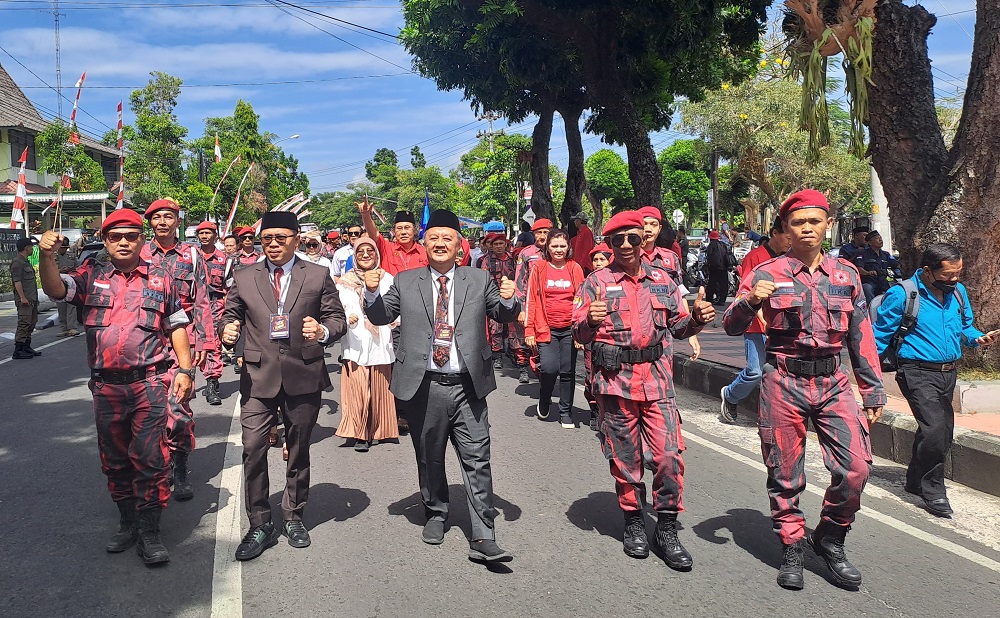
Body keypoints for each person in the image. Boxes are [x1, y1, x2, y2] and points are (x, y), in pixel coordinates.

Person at [722, 189, 885, 591]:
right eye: (798, 222)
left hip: (833, 381)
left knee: (856, 468)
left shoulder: (847, 274)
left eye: (814, 221)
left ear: (827, 225)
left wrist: (872, 389)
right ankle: (792, 545)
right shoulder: (766, 273)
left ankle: (830, 536)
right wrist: (749, 302)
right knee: (784, 471)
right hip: (783, 380)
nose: (807, 228)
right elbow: (730, 325)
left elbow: (861, 336)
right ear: (785, 228)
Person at [37, 210, 195, 566]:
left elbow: (177, 325)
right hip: (106, 388)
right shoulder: (90, 275)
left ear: (142, 240)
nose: (123, 242)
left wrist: (185, 369)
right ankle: (128, 522)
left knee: (151, 459)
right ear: (105, 241)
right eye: (115, 236)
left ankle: (150, 531)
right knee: (115, 460)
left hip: (149, 384)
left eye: (131, 236)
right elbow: (56, 289)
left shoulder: (162, 278)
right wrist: (47, 257)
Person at [363, 208, 519, 563]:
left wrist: (510, 298)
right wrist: (371, 293)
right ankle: (436, 511)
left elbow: (502, 313)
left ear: (459, 245)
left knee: (477, 457)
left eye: (447, 238)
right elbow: (382, 316)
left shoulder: (478, 279)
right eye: (433, 238)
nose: (439, 243)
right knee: (429, 455)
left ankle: (484, 535)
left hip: (468, 386)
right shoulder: (406, 281)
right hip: (425, 385)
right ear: (425, 243)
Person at [573, 210, 713, 568]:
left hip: (657, 382)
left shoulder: (664, 280)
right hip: (615, 383)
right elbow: (578, 332)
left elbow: (679, 327)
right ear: (608, 243)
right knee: (626, 458)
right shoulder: (596, 282)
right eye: (617, 240)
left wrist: (697, 319)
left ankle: (666, 528)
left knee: (668, 457)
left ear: (643, 239)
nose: (625, 245)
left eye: (632, 238)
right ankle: (634, 522)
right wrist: (589, 320)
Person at [219, 210, 347, 561]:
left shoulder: (317, 274)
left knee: (299, 448)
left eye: (281, 238)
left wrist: (322, 331)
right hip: (258, 377)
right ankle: (260, 523)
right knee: (253, 448)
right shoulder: (244, 276)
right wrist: (226, 330)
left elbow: (336, 319)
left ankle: (293, 515)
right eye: (267, 239)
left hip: (303, 373)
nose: (273, 244)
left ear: (296, 239)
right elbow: (230, 315)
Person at [872, 243, 999, 518]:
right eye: (948, 274)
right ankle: (933, 490)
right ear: (928, 271)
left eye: (958, 273)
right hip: (916, 371)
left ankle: (915, 479)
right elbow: (878, 336)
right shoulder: (902, 294)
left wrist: (978, 338)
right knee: (935, 431)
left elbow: (965, 327)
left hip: (948, 372)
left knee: (940, 429)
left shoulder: (958, 292)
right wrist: (868, 378)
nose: (954, 279)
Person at [141, 198, 218, 501]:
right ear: (150, 222)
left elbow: (201, 299)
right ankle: (159, 465)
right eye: (157, 217)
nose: (162, 222)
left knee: (178, 407)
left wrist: (205, 341)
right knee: (148, 409)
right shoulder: (140, 253)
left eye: (168, 216)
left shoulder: (192, 254)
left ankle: (180, 467)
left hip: (181, 340)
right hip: (146, 340)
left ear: (177, 221)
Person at [719, 217, 790, 423]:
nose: (790, 241)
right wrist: (762, 319)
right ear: (775, 233)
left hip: (780, 326)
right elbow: (747, 294)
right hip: (756, 325)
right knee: (755, 371)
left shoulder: (789, 259)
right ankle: (730, 395)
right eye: (787, 237)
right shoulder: (755, 257)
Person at [335, 236, 399, 452]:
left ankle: (378, 429)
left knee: (379, 387)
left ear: (376, 254)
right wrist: (348, 317)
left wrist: (393, 320)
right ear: (354, 256)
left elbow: (397, 307)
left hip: (380, 339)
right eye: (360, 252)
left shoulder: (387, 279)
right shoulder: (344, 282)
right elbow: (336, 309)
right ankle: (359, 432)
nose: (365, 255)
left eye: (369, 251)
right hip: (356, 340)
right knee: (358, 388)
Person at [524, 230, 585, 428]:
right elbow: (531, 299)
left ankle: (565, 411)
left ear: (568, 248)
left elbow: (582, 300)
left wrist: (580, 330)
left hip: (569, 329)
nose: (558, 250)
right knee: (549, 368)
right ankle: (544, 399)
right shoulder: (539, 268)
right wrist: (529, 330)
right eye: (554, 246)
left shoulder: (575, 268)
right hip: (546, 327)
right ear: (547, 247)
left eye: (562, 246)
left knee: (567, 371)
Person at [513, 218, 552, 383]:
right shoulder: (526, 253)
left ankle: (544, 372)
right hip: (530, 303)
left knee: (546, 340)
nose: (542, 236)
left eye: (546, 232)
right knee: (526, 338)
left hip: (550, 304)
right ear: (533, 234)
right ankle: (524, 367)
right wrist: (521, 309)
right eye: (539, 233)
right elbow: (519, 281)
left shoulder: (557, 251)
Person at [195, 220, 228, 406]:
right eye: (201, 233)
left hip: (215, 307)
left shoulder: (225, 260)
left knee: (213, 345)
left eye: (208, 233)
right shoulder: (191, 255)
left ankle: (212, 383)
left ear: (215, 236)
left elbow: (229, 288)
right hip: (193, 306)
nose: (204, 236)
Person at [582, 243, 612, 431]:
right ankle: (594, 408)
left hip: (612, 341)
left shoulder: (618, 282)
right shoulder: (588, 283)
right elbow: (579, 313)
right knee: (591, 376)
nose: (598, 263)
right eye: (595, 260)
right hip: (592, 340)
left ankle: (606, 412)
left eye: (602, 259)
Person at [361, 202, 429, 276]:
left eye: (407, 228)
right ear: (394, 232)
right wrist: (366, 215)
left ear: (414, 231)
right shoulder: (386, 248)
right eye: (399, 228)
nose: (403, 232)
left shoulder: (424, 252)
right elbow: (374, 233)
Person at [479, 233, 515, 369]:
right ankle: (497, 355)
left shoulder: (513, 259)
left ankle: (514, 353)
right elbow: (483, 279)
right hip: (494, 297)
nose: (499, 246)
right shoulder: (487, 261)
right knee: (495, 328)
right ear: (492, 246)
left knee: (513, 328)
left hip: (511, 297)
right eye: (496, 244)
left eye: (501, 243)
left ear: (506, 245)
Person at [10, 236, 41, 359]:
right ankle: (18, 350)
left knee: (31, 323)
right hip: (25, 300)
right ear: (26, 248)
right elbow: (17, 281)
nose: (32, 249)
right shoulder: (17, 262)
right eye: (31, 247)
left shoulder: (26, 261)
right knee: (24, 324)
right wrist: (22, 297)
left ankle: (26, 347)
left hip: (31, 299)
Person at [853, 230, 900, 303]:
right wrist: (868, 273)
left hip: (884, 282)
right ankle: (870, 307)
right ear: (870, 242)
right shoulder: (863, 254)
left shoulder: (886, 254)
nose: (880, 240)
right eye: (877, 238)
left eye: (880, 238)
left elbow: (896, 264)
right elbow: (859, 268)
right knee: (867, 288)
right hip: (870, 281)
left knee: (896, 290)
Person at [54, 237, 81, 337]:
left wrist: (71, 269)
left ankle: (72, 327)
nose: (63, 250)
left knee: (71, 306)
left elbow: (78, 268)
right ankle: (64, 328)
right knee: (61, 306)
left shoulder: (72, 256)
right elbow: (48, 270)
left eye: (65, 248)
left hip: (70, 283)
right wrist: (60, 271)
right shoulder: (53, 257)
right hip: (58, 283)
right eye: (62, 248)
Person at [703, 230, 730, 305]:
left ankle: (709, 299)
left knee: (712, 284)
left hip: (714, 268)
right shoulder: (723, 244)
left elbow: (709, 256)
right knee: (723, 284)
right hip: (723, 267)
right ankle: (722, 300)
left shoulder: (711, 245)